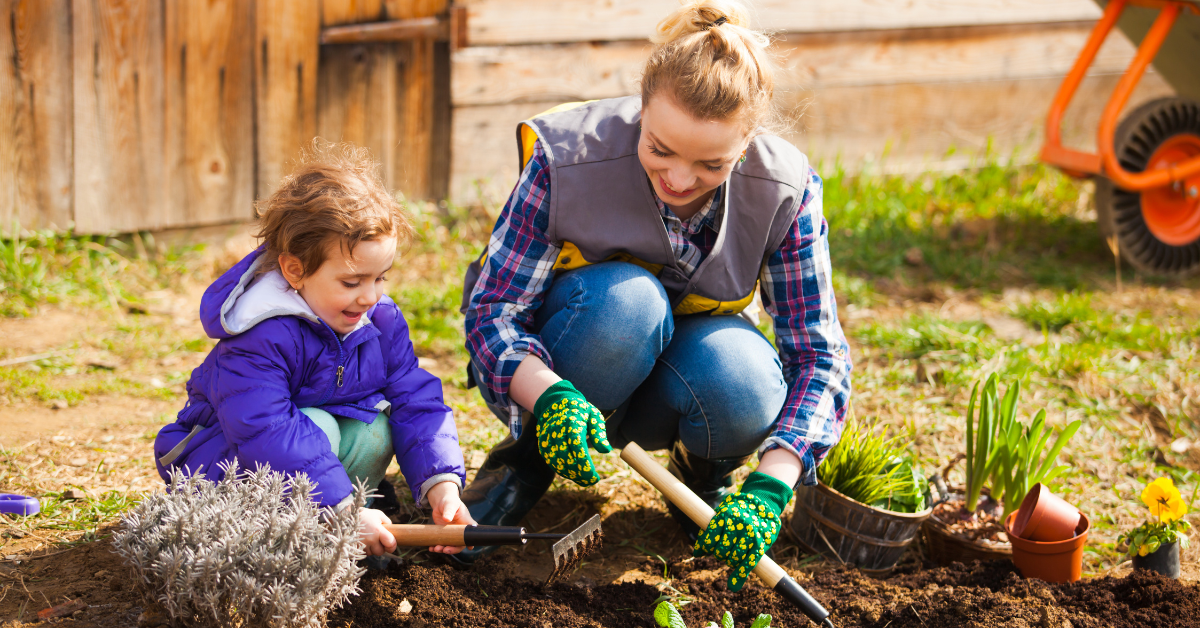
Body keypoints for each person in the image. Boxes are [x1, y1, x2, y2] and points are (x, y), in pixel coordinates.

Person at [458, 0, 853, 590]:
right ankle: (529, 461)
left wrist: (774, 481)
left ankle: (701, 473)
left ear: (745, 147)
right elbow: (494, 311)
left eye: (712, 163)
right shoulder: (567, 158)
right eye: (660, 149)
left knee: (744, 378)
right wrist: (548, 397)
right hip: (572, 358)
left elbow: (820, 357)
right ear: (641, 110)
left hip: (676, 374)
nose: (680, 179)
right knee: (631, 303)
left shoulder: (784, 190)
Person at [155, 142, 474, 557]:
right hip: (221, 462)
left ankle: (337, 538)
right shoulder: (260, 337)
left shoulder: (380, 321)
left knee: (376, 429)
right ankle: (293, 540)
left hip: (302, 470)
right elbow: (266, 429)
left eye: (381, 278)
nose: (369, 296)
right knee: (317, 425)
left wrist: (442, 486)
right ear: (295, 270)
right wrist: (340, 506)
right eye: (351, 281)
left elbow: (416, 398)